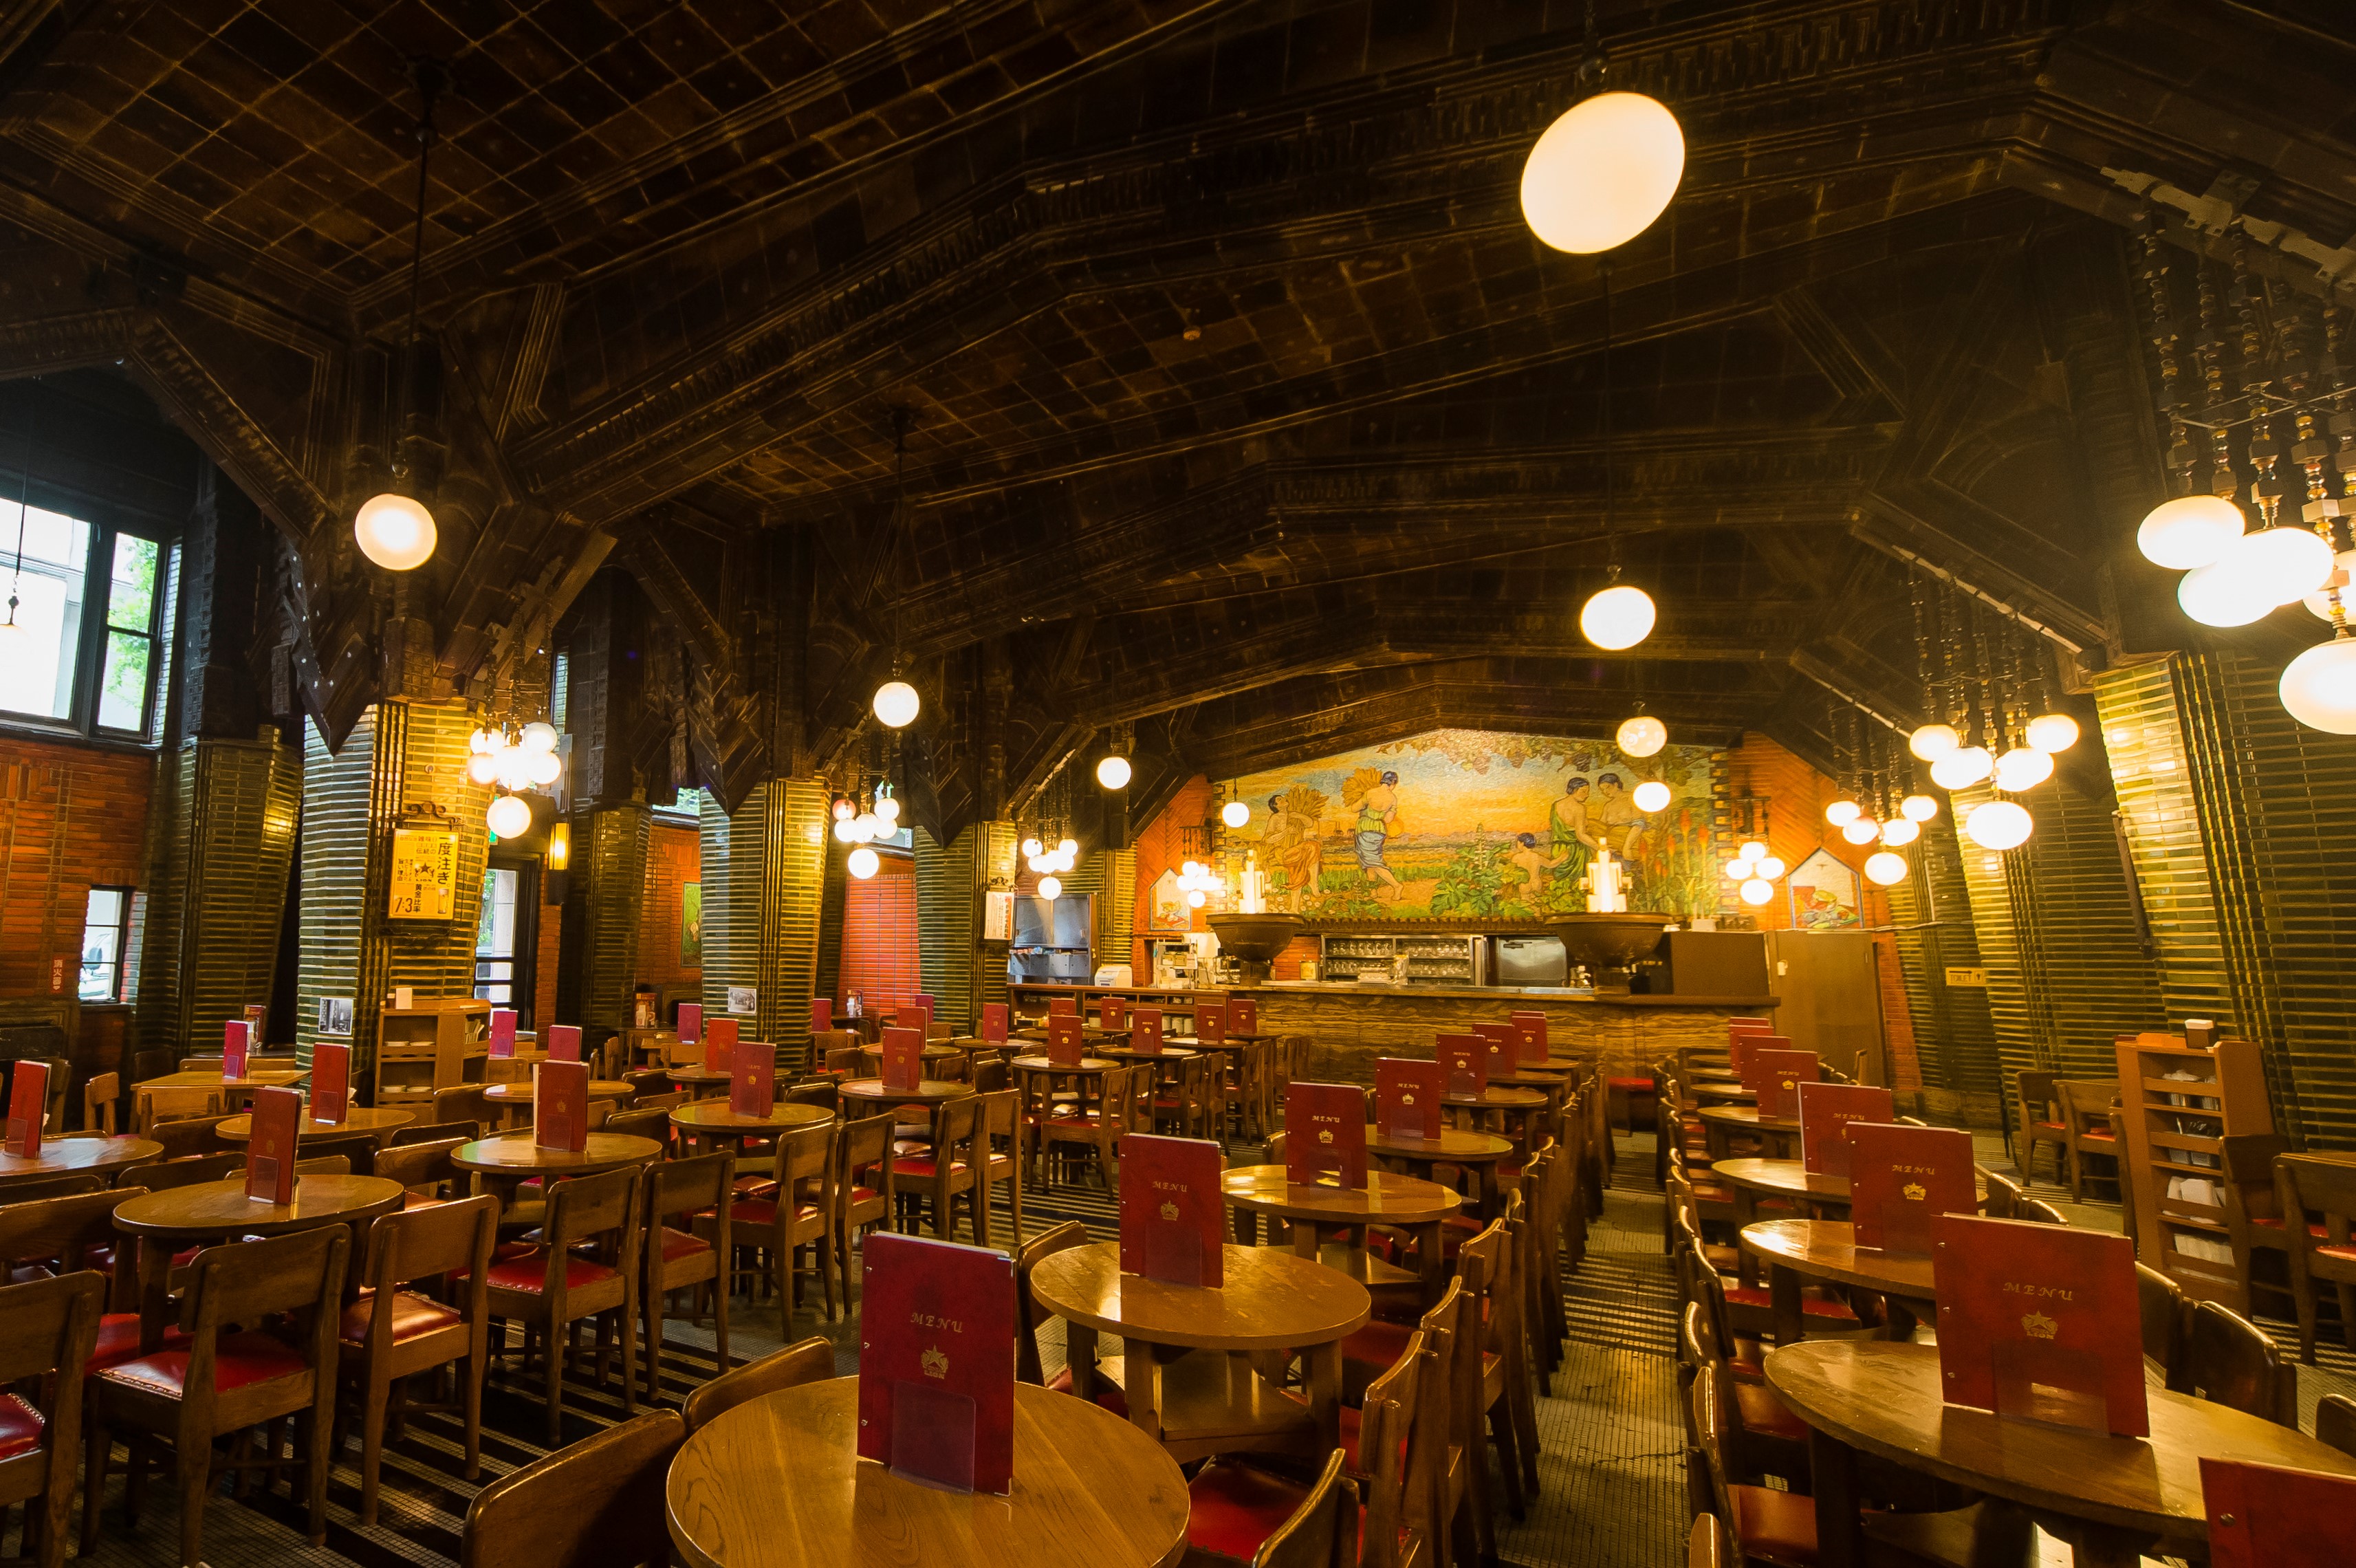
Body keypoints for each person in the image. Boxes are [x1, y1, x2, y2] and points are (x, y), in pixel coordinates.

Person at [1354, 771, 1405, 899]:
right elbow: (1388, 820)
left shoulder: (1370, 793)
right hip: (1379, 831)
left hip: (1365, 829)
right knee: (1370, 862)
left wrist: (1365, 806)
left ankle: (1397, 886)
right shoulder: (1393, 799)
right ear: (1393, 783)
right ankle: (1373, 892)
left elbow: (1354, 808)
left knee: (1373, 862)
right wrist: (1380, 813)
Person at [1549, 776, 1600, 896]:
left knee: (1561, 886)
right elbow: (1580, 835)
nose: (1587, 795)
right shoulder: (1579, 808)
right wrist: (1600, 847)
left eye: (1587, 792)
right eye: (1583, 791)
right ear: (1573, 789)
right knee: (1578, 887)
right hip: (1576, 852)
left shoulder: (1555, 805)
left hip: (1558, 849)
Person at [1507, 831, 1564, 895]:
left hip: (1525, 885)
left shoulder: (1516, 858)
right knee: (1538, 900)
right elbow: (1551, 864)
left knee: (1525, 900)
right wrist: (1562, 858)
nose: (1517, 844)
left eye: (1518, 842)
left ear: (1522, 843)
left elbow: (1511, 873)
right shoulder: (1537, 857)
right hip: (1536, 884)